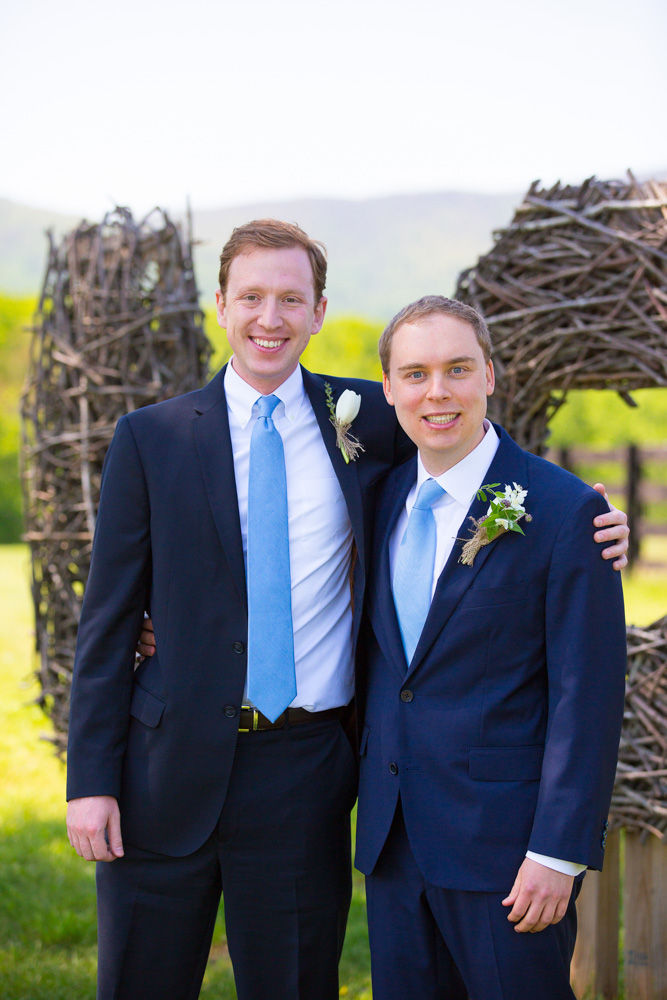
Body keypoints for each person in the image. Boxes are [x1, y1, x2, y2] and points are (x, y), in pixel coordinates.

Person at [66, 221, 628, 1000]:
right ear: (220, 305)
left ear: (319, 311)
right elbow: (107, 622)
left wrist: (583, 514)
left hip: (303, 772)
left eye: (291, 298)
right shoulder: (150, 438)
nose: (271, 317)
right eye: (253, 297)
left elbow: (469, 453)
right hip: (159, 771)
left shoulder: (368, 419)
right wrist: (90, 777)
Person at [353, 296, 627, 1000]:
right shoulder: (376, 497)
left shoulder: (566, 511)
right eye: (414, 374)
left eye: (456, 369)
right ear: (387, 391)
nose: (435, 392)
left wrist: (557, 853)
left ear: (490, 377)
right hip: (393, 843)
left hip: (508, 854)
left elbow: (585, 698)